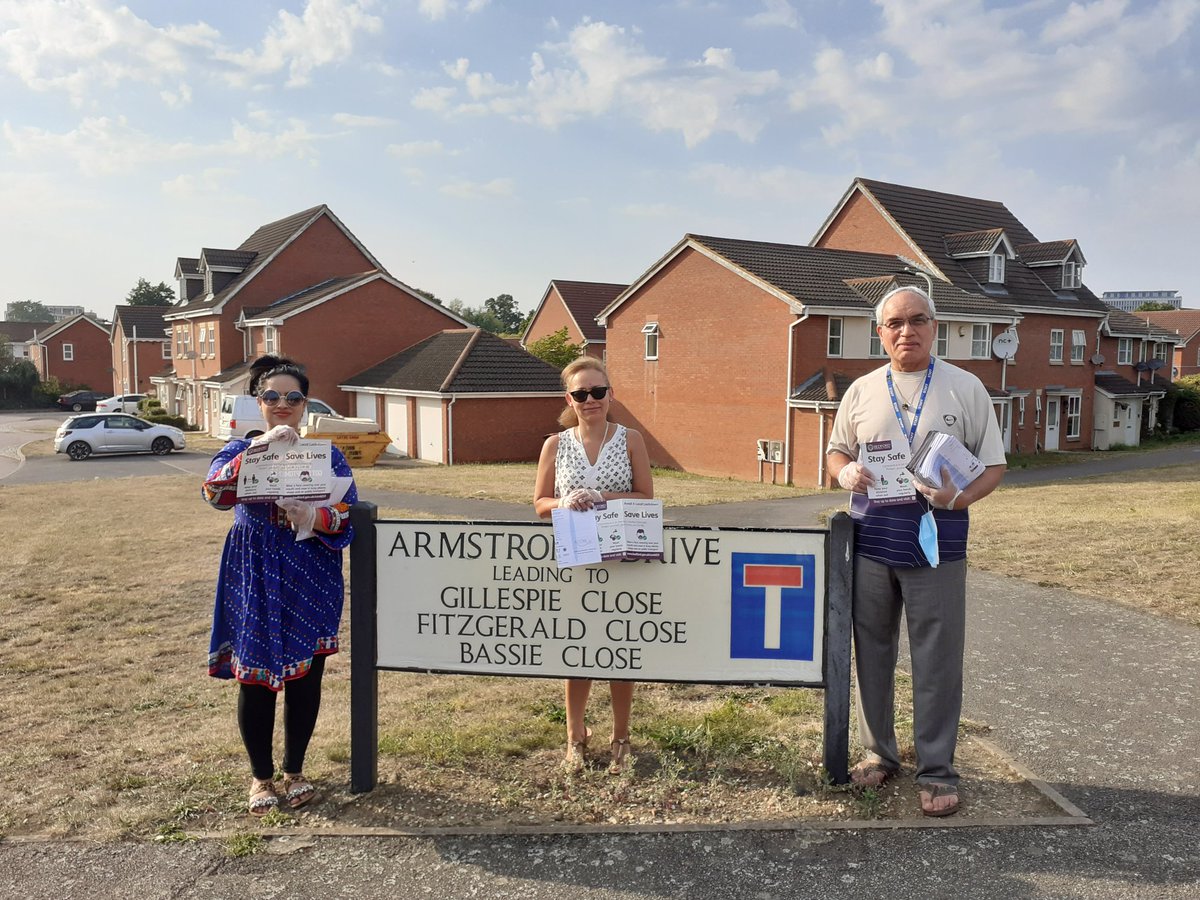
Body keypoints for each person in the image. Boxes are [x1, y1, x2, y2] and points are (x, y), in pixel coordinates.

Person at [825, 286, 1006, 817]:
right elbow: (837, 450)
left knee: (937, 660)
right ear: (879, 332)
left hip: (938, 545)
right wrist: (845, 471)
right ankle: (878, 755)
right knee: (871, 654)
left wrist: (962, 496)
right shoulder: (860, 390)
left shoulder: (966, 387)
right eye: (895, 323)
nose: (907, 331)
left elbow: (993, 464)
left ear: (935, 325)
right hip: (872, 543)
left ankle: (937, 769)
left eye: (917, 320)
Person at [202, 355, 358, 816]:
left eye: (293, 397)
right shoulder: (235, 450)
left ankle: (295, 771)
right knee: (255, 681)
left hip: (310, 573)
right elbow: (213, 493)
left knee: (306, 678)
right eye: (272, 396)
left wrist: (314, 516)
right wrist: (261, 448)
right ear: (259, 403)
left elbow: (348, 512)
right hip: (256, 573)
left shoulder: (326, 455)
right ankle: (260, 779)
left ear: (306, 403)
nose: (283, 404)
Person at [534, 357, 653, 774]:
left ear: (610, 395)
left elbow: (646, 496)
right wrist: (564, 501)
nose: (590, 400)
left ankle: (621, 737)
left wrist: (603, 497)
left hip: (622, 560)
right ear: (569, 399)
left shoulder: (631, 439)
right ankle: (575, 735)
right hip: (576, 560)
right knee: (579, 650)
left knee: (619, 649)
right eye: (581, 394)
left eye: (598, 392)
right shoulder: (556, 444)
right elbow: (539, 503)